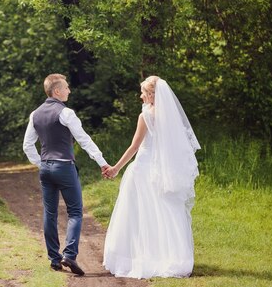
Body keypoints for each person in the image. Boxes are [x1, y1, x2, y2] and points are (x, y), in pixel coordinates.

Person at [102, 76, 200, 279]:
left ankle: (139, 258)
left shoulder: (146, 115)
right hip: (163, 172)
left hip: (143, 169)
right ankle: (173, 257)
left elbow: (135, 147)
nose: (141, 96)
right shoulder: (171, 117)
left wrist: (117, 168)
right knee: (166, 213)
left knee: (139, 215)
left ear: (152, 95)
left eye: (144, 93)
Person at [23, 73, 111, 275]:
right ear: (56, 91)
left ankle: (54, 259)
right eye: (66, 87)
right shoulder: (66, 113)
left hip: (45, 168)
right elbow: (84, 139)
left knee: (50, 213)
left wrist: (41, 163)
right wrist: (103, 163)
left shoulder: (35, 114)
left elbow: (27, 145)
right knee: (75, 212)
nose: (69, 90)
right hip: (64, 167)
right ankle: (69, 255)